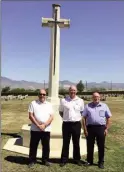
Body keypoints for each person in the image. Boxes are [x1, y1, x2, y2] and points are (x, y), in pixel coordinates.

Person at [82, 92, 112, 169]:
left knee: (101, 146)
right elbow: (84, 118)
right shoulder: (87, 106)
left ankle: (101, 162)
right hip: (90, 128)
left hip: (101, 128)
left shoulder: (104, 106)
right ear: (92, 98)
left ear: (100, 97)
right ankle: (89, 161)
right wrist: (85, 129)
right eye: (94, 97)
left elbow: (108, 118)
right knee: (90, 146)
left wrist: (106, 129)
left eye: (97, 96)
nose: (96, 98)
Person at [59, 85, 84, 167]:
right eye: (71, 90)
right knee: (66, 142)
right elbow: (61, 112)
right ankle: (64, 160)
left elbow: (82, 112)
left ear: (76, 91)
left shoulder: (80, 101)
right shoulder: (63, 100)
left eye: (74, 90)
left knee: (76, 142)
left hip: (76, 124)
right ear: (68, 91)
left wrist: (76, 118)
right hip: (66, 124)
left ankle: (77, 159)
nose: (72, 92)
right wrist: (66, 118)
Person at [28, 89, 54, 167]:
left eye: (44, 94)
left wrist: (44, 125)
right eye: (40, 94)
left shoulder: (49, 104)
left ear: (46, 95)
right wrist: (38, 125)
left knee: (46, 146)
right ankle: (32, 161)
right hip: (35, 129)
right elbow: (30, 115)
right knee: (33, 146)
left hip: (46, 129)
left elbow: (52, 116)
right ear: (38, 95)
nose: (42, 95)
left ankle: (45, 160)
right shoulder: (33, 103)